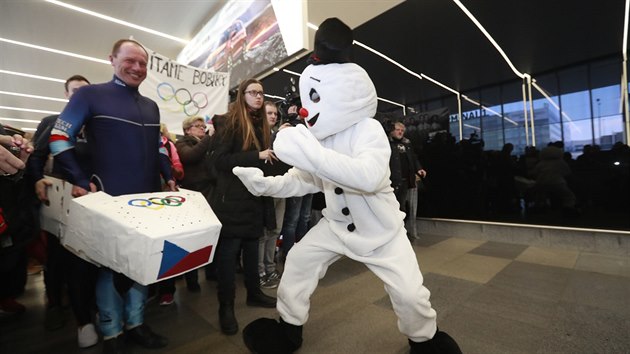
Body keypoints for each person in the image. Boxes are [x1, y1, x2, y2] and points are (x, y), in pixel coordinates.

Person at [234, 18, 460, 354]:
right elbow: (303, 180)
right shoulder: (319, 136)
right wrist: (266, 185)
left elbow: (369, 176)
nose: (306, 108)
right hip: (337, 226)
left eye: (314, 96)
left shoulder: (367, 131)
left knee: (410, 294)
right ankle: (288, 330)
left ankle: (426, 342)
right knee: (298, 263)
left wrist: (311, 153)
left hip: (381, 232)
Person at [49, 39, 174, 353]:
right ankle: (112, 333)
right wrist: (78, 179)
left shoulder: (151, 105)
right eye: (129, 60)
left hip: (148, 199)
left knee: (142, 261)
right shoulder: (91, 95)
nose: (136, 67)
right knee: (109, 266)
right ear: (112, 59)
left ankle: (136, 325)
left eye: (143, 63)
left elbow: (159, 148)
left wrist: (169, 177)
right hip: (108, 197)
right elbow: (59, 136)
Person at [26, 74, 100, 348]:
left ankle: (88, 309)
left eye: (85, 91)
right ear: (67, 95)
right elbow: (36, 156)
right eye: (75, 91)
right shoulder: (53, 122)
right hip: (59, 198)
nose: (80, 95)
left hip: (93, 199)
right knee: (58, 258)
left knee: (88, 259)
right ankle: (56, 304)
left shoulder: (98, 125)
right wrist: (36, 180)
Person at [209, 79, 277, 336]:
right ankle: (225, 307)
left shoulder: (260, 125)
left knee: (251, 251)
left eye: (261, 93)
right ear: (242, 96)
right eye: (253, 93)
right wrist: (256, 156)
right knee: (227, 258)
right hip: (231, 200)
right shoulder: (229, 122)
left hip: (253, 198)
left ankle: (254, 293)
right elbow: (219, 160)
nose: (258, 97)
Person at [0, 127, 33, 317]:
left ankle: (5, 298)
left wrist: (18, 161)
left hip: (8, 213)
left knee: (9, 258)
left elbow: (12, 174)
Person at [258, 101, 285, 289]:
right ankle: (259, 271)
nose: (273, 116)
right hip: (263, 190)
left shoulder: (278, 137)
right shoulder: (257, 135)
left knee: (275, 231)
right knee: (262, 234)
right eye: (269, 113)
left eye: (275, 113)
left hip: (280, 188)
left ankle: (270, 267)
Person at [389, 121, 426, 240]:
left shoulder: (407, 143)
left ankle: (403, 234)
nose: (400, 132)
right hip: (393, 181)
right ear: (392, 130)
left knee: (404, 208)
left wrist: (419, 168)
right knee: (394, 208)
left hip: (407, 180)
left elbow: (413, 157)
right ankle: (394, 235)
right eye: (398, 129)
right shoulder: (387, 143)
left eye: (402, 130)